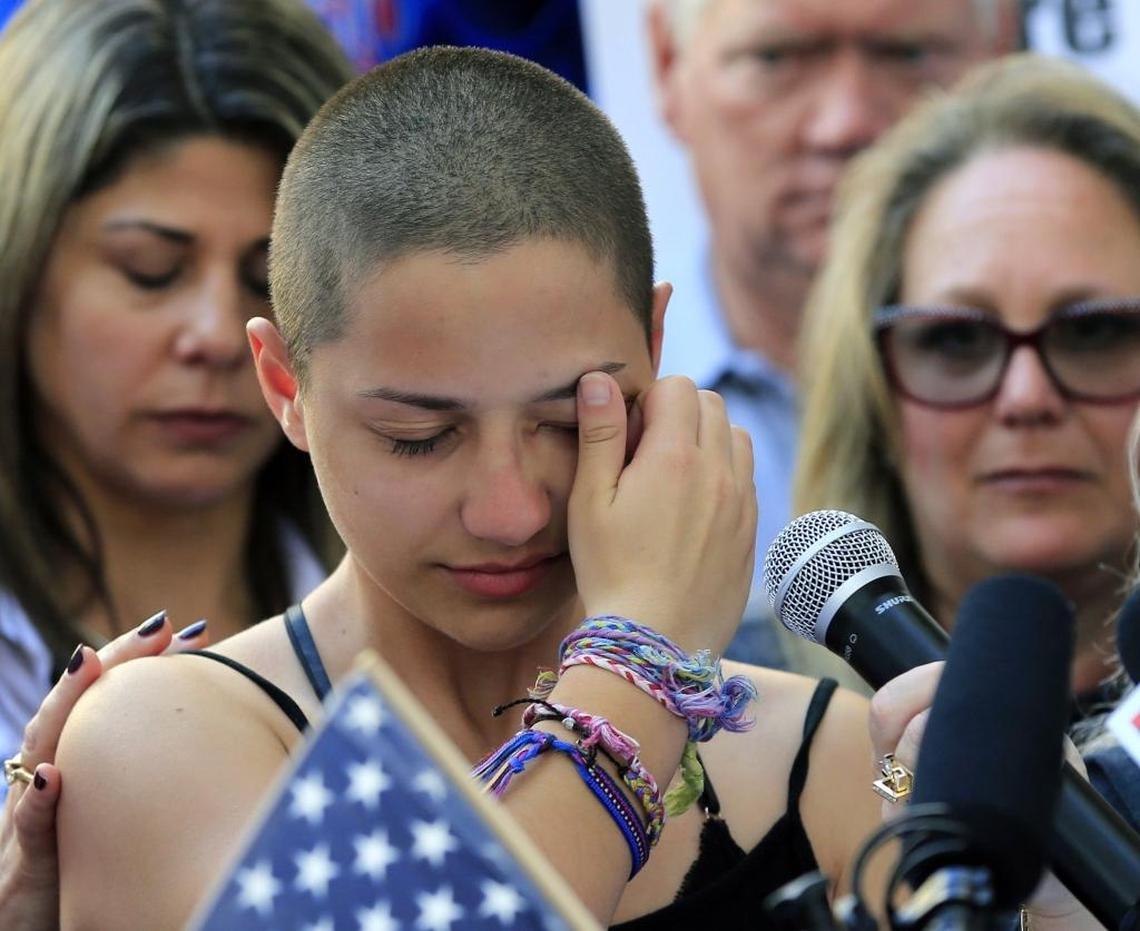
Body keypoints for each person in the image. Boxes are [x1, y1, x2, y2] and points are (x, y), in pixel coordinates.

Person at [48, 44, 892, 929]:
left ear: (653, 340)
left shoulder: (830, 750)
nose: (510, 510)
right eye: (419, 438)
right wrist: (640, 661)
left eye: (571, 421)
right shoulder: (164, 741)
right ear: (285, 387)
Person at [0, 0, 352, 925]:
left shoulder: (450, 591)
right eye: (151, 268)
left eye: (266, 281)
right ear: (19, 268)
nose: (214, 335)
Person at [643, 0, 1019, 672]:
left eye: (910, 54)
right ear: (668, 67)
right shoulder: (582, 417)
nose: (846, 123)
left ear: (1002, 55)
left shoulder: (1087, 402)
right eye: (776, 59)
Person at [796, 54, 1140, 709]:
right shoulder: (728, 730)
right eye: (956, 339)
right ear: (872, 396)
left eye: (1094, 332)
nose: (1026, 398)